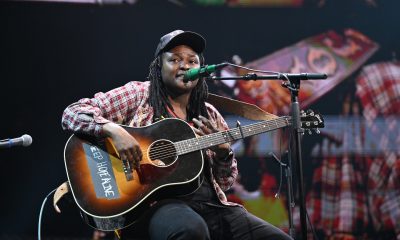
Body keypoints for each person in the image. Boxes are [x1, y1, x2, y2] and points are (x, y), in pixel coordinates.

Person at [61, 29, 292, 240]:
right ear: (159, 67)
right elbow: (72, 113)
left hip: (211, 207)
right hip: (154, 206)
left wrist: (223, 153)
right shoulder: (140, 94)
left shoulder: (209, 113)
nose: (184, 66)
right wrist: (113, 130)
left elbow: (225, 181)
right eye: (175, 60)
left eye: (192, 61)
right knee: (190, 230)